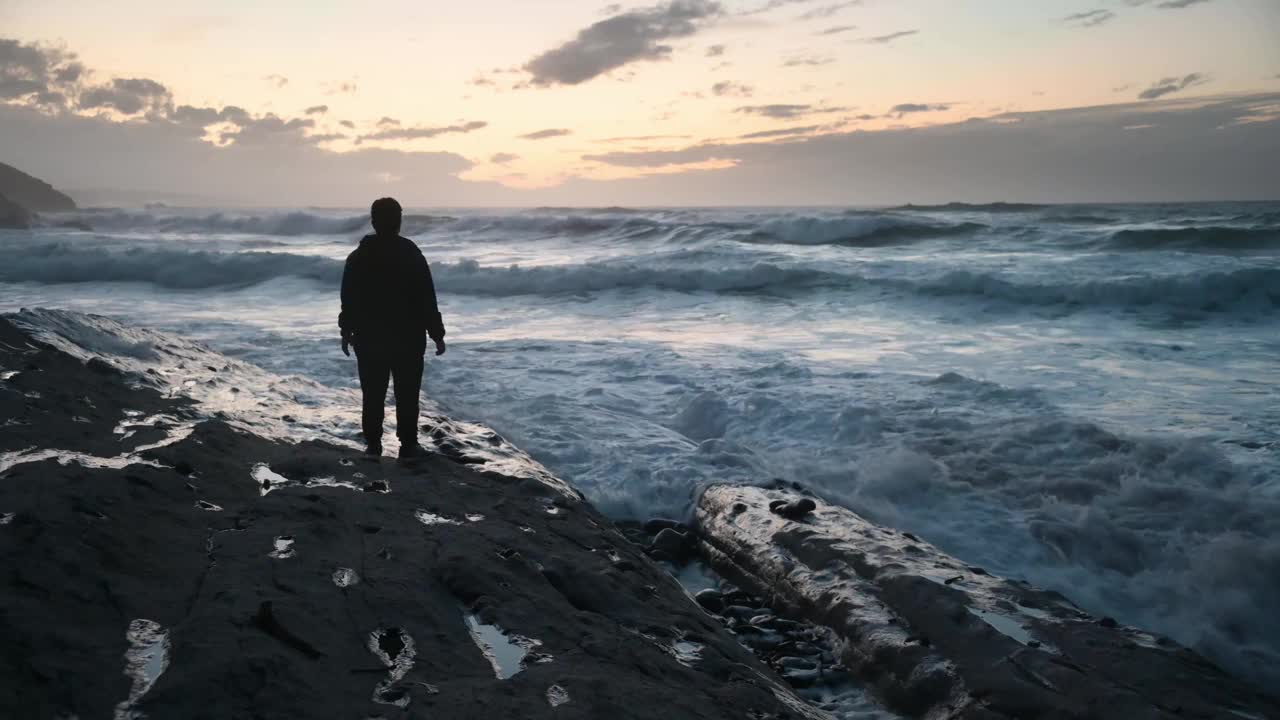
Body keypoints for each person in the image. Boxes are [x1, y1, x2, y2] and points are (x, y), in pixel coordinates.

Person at [339, 197, 446, 458]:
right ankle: (408, 444)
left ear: (373, 221)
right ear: (399, 221)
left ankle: (373, 444)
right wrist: (437, 334)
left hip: (369, 337)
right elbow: (426, 298)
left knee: (373, 393)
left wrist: (346, 330)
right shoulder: (411, 255)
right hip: (407, 338)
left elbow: (348, 299)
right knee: (407, 394)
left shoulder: (358, 257)